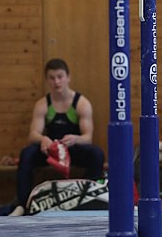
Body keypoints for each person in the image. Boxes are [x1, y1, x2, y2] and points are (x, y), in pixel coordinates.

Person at [10, 58, 104, 216]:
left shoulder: (81, 104)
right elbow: (33, 135)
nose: (57, 82)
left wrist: (76, 139)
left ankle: (86, 198)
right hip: (51, 151)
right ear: (47, 80)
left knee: (97, 154)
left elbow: (88, 138)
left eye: (60, 77)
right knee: (27, 154)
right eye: (52, 78)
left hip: (72, 149)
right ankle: (22, 204)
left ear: (68, 77)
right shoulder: (43, 104)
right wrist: (43, 139)